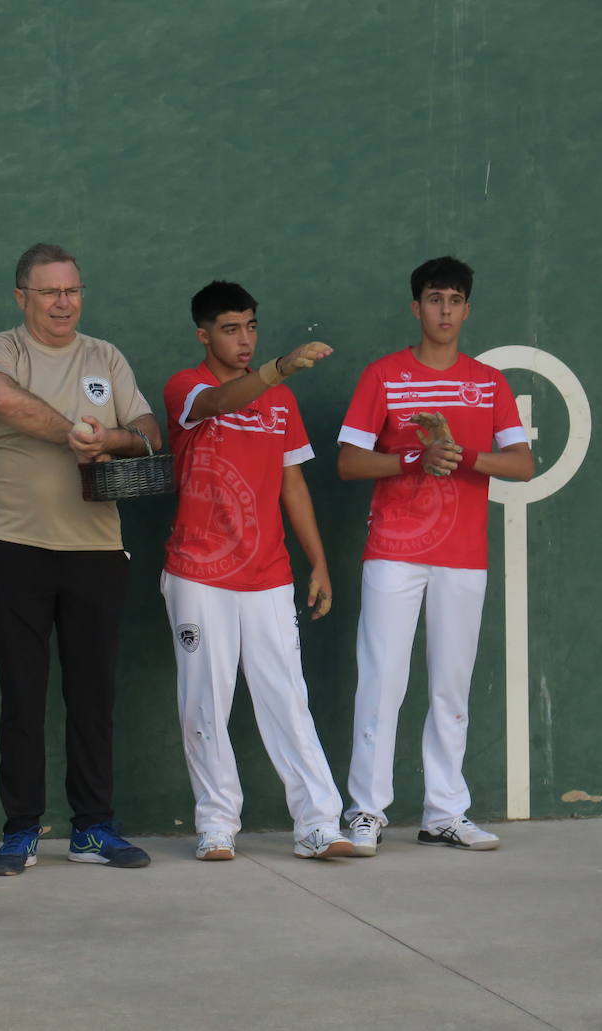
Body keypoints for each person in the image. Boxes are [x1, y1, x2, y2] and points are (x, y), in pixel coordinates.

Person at [0, 243, 162, 875]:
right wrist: (75, 434)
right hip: (14, 545)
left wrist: (111, 439)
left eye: (72, 290)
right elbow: (3, 399)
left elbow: (147, 431)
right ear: (22, 296)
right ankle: (22, 830)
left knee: (92, 696)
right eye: (49, 292)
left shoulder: (105, 356)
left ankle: (93, 829)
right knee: (23, 696)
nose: (62, 303)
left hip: (97, 551)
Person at [337, 256, 533, 855]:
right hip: (394, 551)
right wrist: (413, 459)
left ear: (467, 309)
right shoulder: (384, 376)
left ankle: (445, 811)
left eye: (453, 300)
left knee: (451, 684)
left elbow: (521, 464)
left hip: (462, 554)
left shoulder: (488, 382)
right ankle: (365, 811)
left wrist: (463, 456)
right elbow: (349, 462)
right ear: (415, 307)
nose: (443, 310)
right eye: (432, 299)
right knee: (383, 680)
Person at [160, 280, 352, 862]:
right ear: (204, 335)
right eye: (230, 329)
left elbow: (292, 483)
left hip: (269, 573)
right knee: (205, 701)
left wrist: (317, 560)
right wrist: (279, 367)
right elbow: (219, 405)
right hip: (198, 572)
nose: (243, 339)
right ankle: (216, 823)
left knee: (286, 697)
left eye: (250, 327)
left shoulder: (281, 403)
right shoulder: (186, 388)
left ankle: (318, 823)